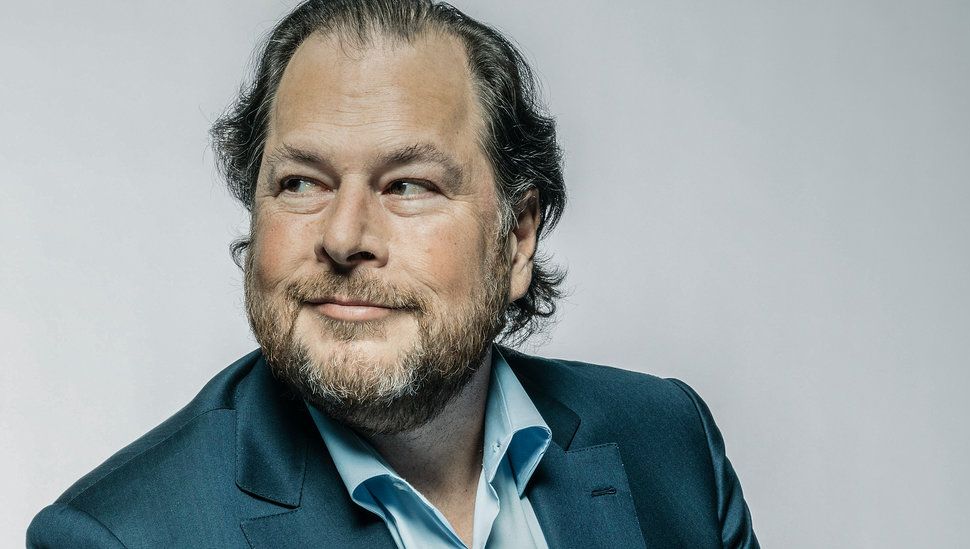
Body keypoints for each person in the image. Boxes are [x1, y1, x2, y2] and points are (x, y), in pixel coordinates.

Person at [27, 1, 758, 547]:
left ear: (517, 238)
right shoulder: (120, 537)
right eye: (301, 183)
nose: (344, 238)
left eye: (409, 185)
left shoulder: (670, 443)